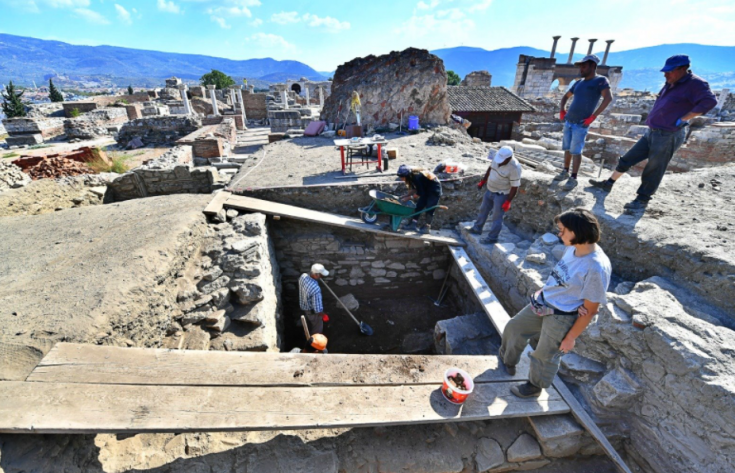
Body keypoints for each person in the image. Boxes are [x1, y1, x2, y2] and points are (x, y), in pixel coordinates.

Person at [499, 208, 611, 398]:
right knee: (514, 328)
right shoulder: (574, 247)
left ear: (576, 231)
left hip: (562, 315)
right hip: (544, 302)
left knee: (545, 354)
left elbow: (591, 310)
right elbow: (563, 278)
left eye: (562, 230)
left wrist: (570, 338)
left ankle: (534, 387)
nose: (559, 234)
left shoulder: (595, 267)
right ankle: (508, 360)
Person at [589, 55, 717, 211]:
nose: (666, 74)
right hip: (652, 131)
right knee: (628, 158)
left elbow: (710, 101)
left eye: (670, 71)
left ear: (683, 69)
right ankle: (608, 184)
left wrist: (686, 117)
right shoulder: (671, 82)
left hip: (669, 134)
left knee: (654, 167)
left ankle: (642, 200)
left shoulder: (696, 84)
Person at [554, 54, 613, 190]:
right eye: (580, 66)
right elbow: (565, 96)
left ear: (593, 66)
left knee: (576, 150)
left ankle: (573, 178)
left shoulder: (600, 81)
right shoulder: (578, 83)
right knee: (567, 148)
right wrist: (562, 110)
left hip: (581, 122)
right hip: (569, 120)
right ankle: (565, 171)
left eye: (584, 66)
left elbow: (608, 98)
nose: (581, 69)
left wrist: (593, 116)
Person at [469, 146, 521, 245]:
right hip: (490, 189)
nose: (499, 162)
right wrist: (483, 180)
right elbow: (490, 168)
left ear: (509, 158)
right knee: (483, 209)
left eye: (502, 161)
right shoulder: (498, 157)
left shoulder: (515, 168)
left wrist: (508, 201)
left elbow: (515, 187)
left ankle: (492, 238)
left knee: (496, 217)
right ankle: (477, 228)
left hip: (501, 194)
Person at [397, 164, 442, 234]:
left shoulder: (416, 176)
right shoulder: (412, 176)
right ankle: (413, 224)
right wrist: (406, 195)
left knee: (430, 209)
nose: (401, 179)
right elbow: (416, 188)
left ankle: (427, 227)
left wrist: (409, 198)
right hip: (426, 189)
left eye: (402, 177)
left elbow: (420, 193)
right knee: (419, 206)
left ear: (406, 176)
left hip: (434, 190)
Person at [298, 263, 329, 334]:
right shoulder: (315, 289)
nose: (322, 277)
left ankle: (309, 323)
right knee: (317, 326)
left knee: (310, 321)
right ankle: (314, 342)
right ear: (316, 275)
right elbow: (317, 309)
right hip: (311, 311)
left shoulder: (303, 276)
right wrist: (323, 315)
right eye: (321, 275)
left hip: (303, 305)